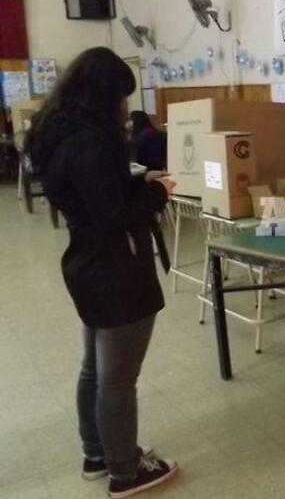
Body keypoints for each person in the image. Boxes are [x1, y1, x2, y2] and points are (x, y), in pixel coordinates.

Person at [24, 47, 178, 498]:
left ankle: (97, 453)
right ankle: (126, 471)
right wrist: (158, 194)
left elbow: (94, 196)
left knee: (94, 367)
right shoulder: (91, 143)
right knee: (117, 377)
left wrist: (136, 180)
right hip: (117, 267)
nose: (124, 111)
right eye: (121, 100)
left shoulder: (57, 133)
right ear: (104, 96)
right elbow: (114, 214)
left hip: (86, 262)